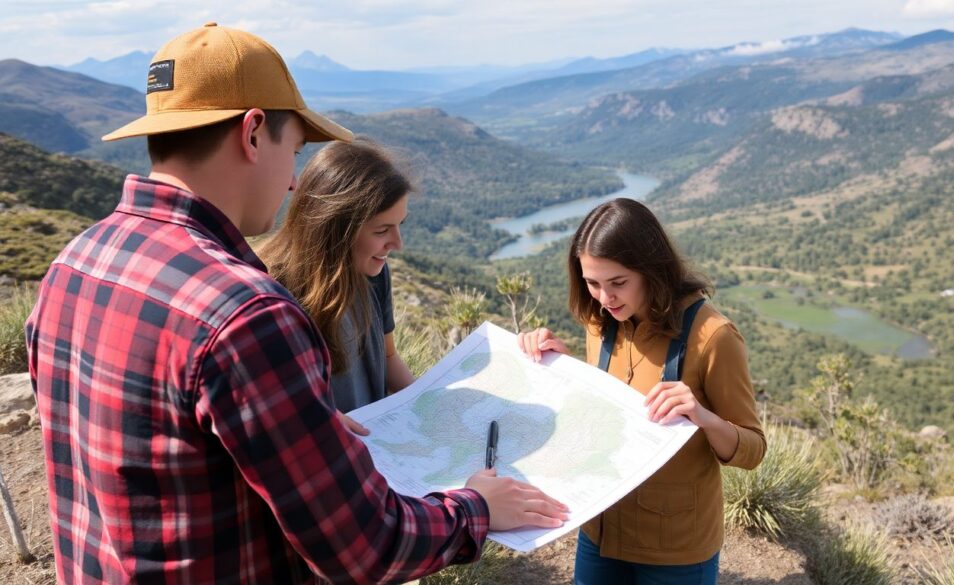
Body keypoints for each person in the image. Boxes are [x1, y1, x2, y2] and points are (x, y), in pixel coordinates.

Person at [25, 23, 567, 585]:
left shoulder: (75, 264)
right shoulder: (244, 313)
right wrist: (475, 507)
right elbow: (364, 548)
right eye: (296, 149)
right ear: (253, 132)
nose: (292, 184)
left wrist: (297, 423)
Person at [518, 198, 765, 585]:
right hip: (600, 529)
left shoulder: (714, 337)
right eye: (592, 283)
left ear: (652, 269)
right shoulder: (599, 321)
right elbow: (603, 407)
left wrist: (702, 416)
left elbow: (753, 449)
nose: (604, 298)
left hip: (675, 547)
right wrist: (559, 367)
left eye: (618, 283)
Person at [258, 139, 415, 432]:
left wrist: (426, 402)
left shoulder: (372, 271)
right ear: (335, 229)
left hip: (376, 446)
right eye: (382, 230)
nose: (397, 244)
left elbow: (389, 356)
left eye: (400, 225)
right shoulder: (272, 292)